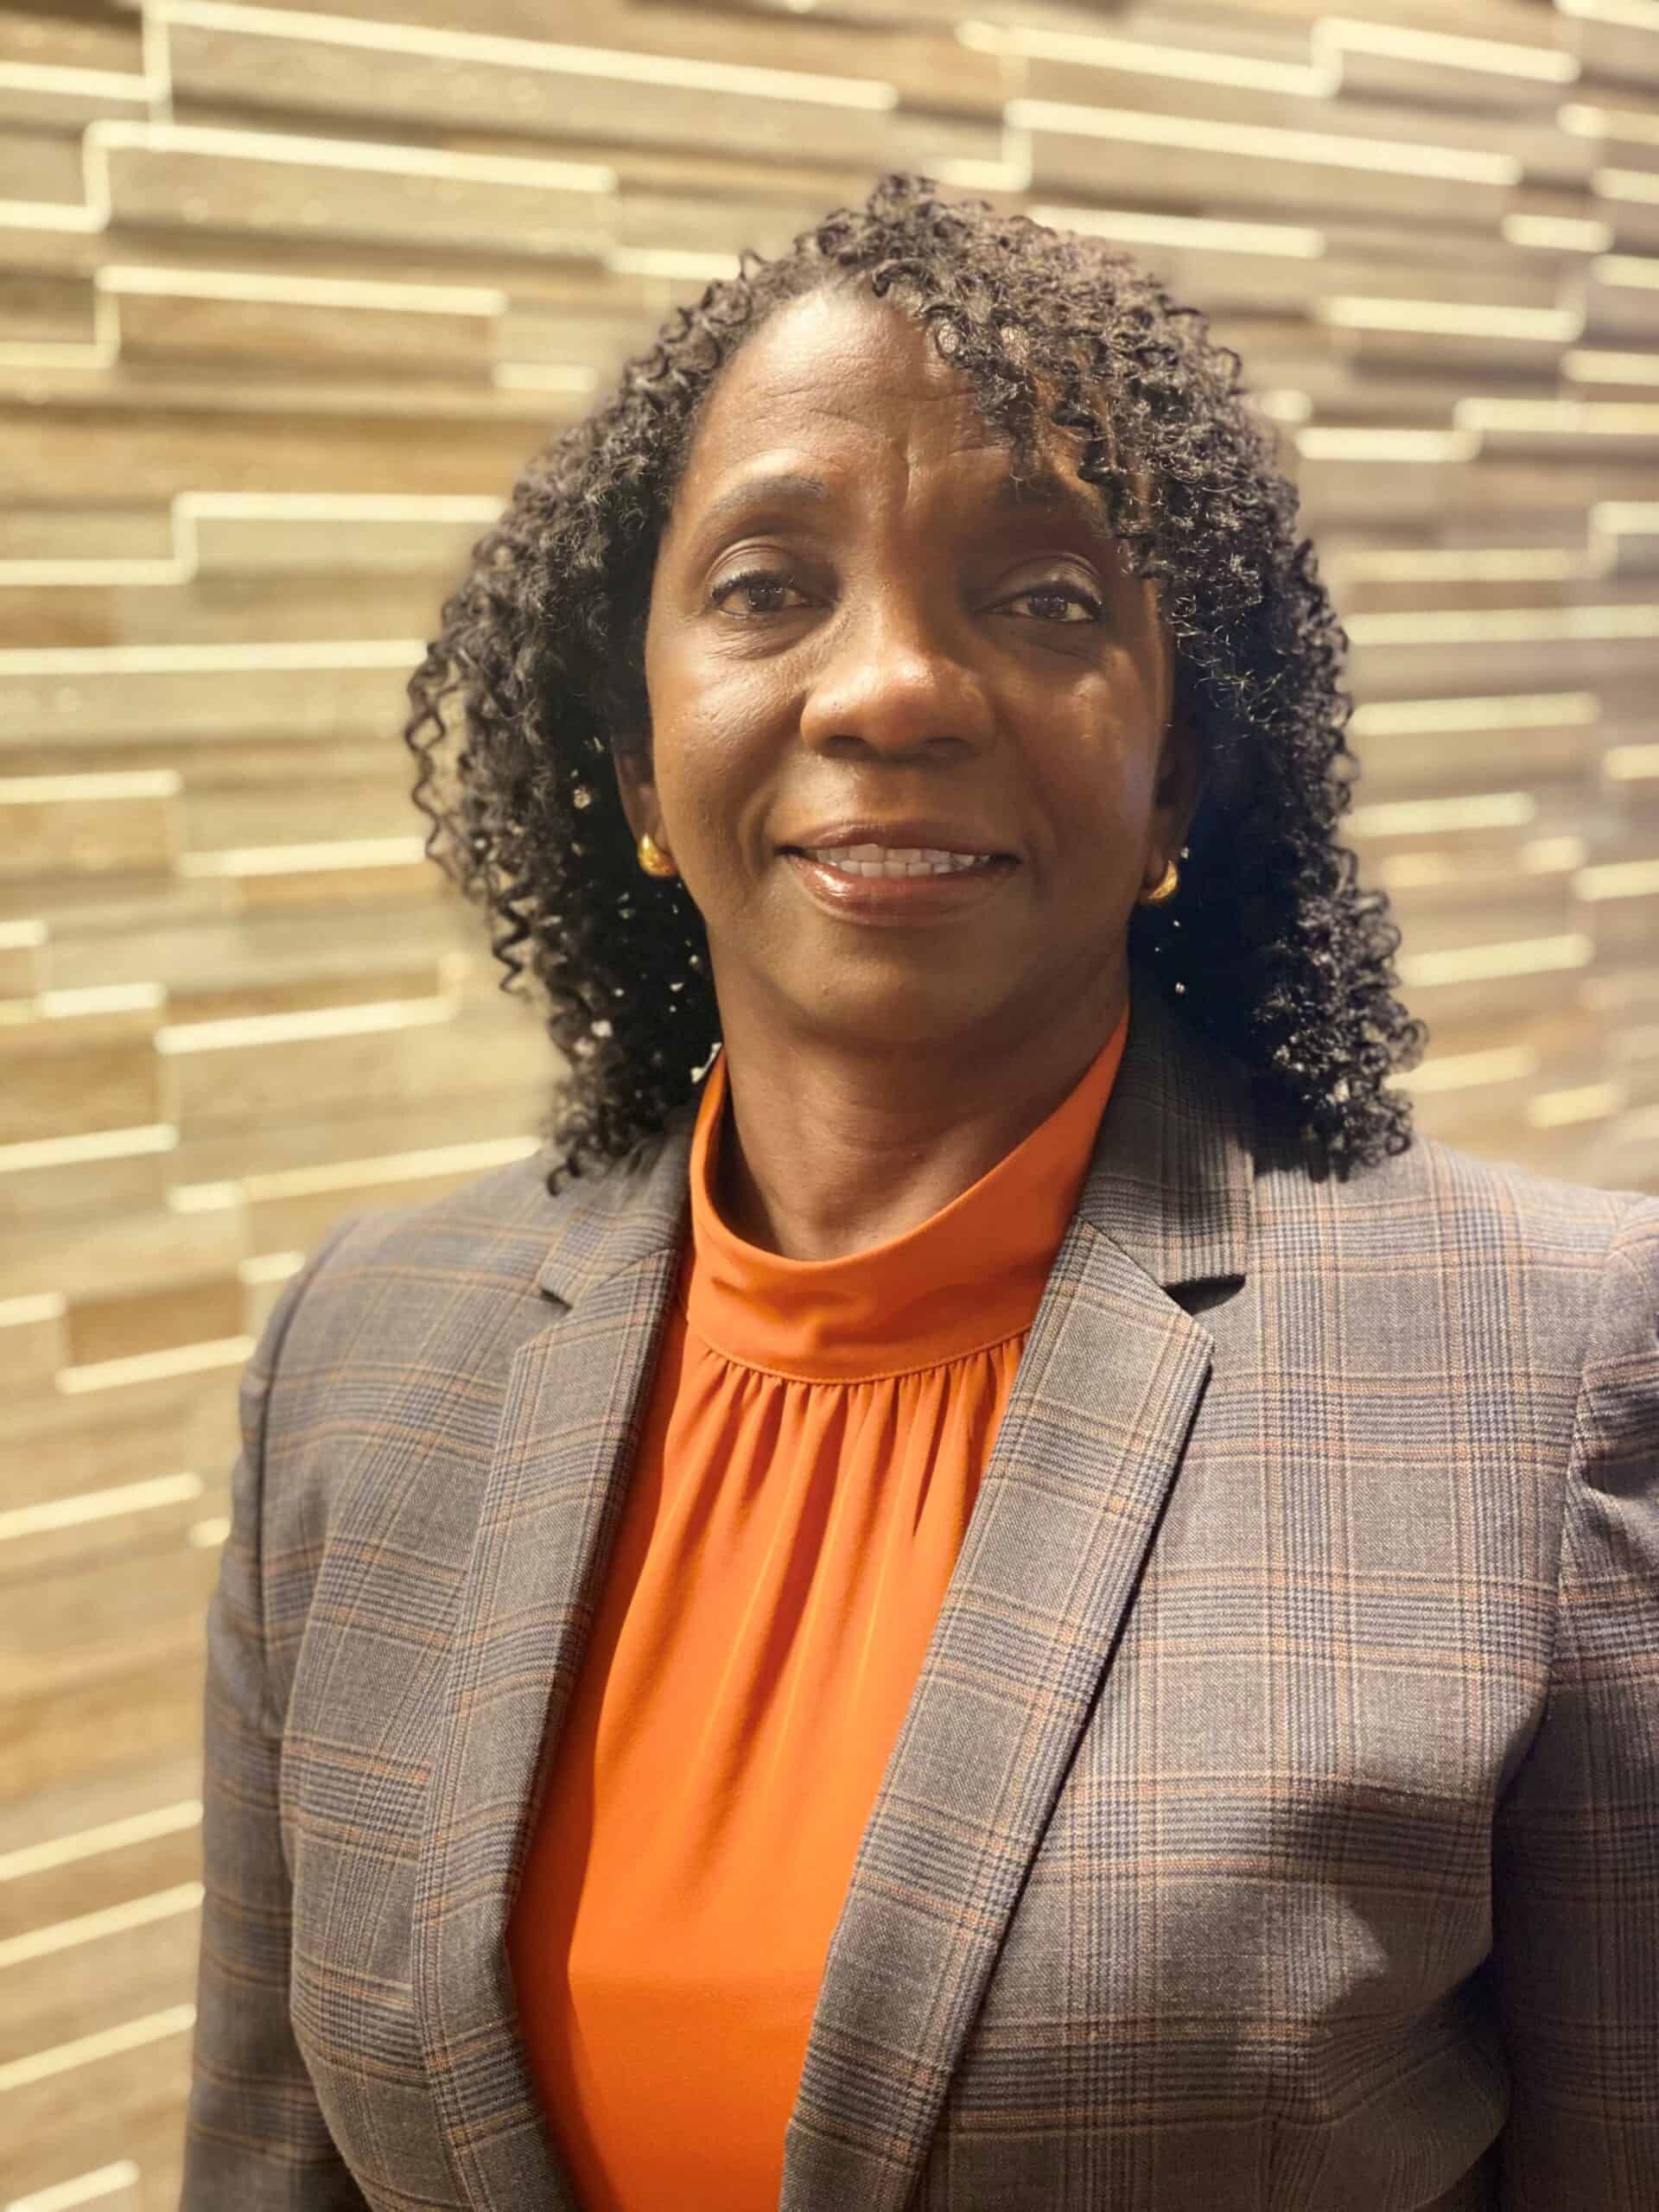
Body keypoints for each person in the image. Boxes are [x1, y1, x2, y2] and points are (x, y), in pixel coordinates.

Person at [180, 175, 1658, 2212]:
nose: (892, 688)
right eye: (771, 584)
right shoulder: (359, 1356)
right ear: (629, 760)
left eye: (1047, 596)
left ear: (1179, 775)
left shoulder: (1550, 1371)